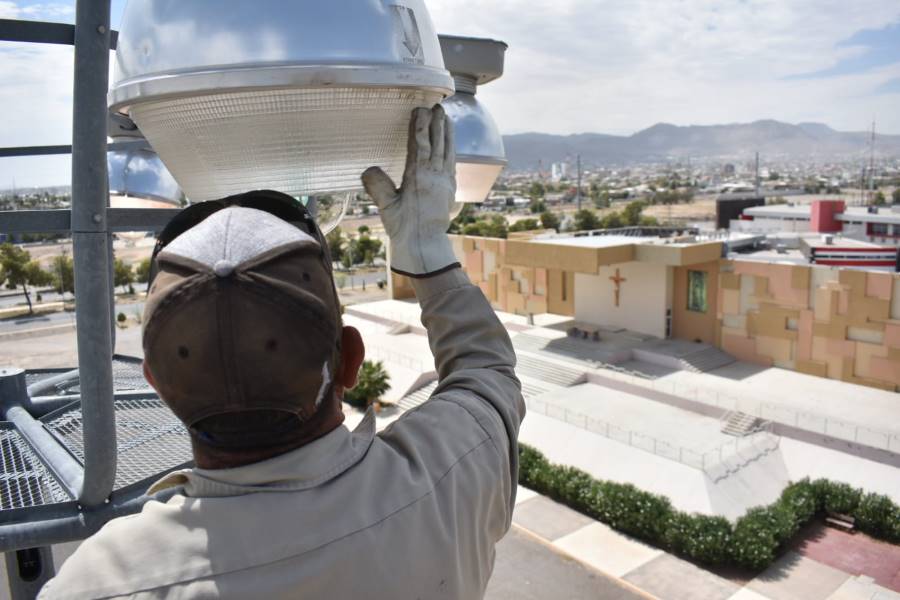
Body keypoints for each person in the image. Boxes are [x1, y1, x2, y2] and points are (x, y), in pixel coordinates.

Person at [40, 105, 525, 599]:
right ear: (350, 360)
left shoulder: (95, 583)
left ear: (157, 384)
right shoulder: (450, 473)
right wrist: (426, 251)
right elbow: (487, 370)